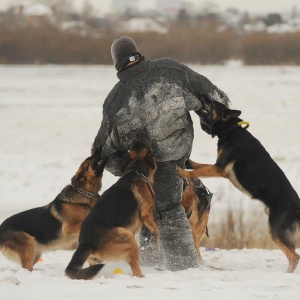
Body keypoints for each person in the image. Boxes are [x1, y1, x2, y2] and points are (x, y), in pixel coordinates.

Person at [92, 36, 230, 271]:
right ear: (138, 53)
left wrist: (128, 170)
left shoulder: (114, 101)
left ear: (116, 63)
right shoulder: (171, 70)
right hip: (174, 157)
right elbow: (216, 98)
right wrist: (213, 125)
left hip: (141, 168)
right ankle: (184, 269)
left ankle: (155, 264)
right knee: (167, 209)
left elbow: (99, 152)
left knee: (151, 208)